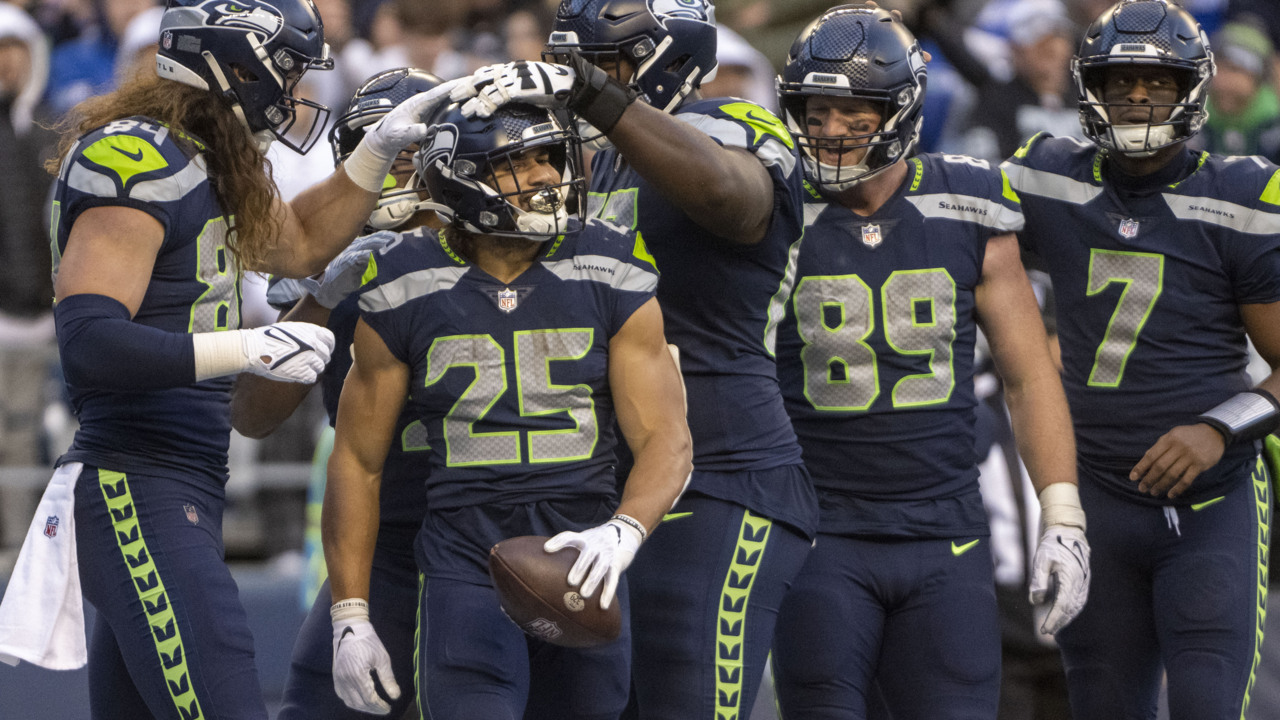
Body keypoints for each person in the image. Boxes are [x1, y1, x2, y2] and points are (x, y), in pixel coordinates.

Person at [0, 0, 458, 717]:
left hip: (183, 478)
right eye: (286, 74)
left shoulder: (200, 158)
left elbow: (302, 243)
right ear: (234, 70)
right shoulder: (136, 155)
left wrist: (374, 158)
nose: (295, 93)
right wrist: (248, 346)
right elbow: (90, 343)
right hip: (137, 477)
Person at [448, 0, 818, 716]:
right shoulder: (604, 164)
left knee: (689, 697)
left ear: (671, 57)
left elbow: (727, 196)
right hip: (619, 482)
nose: (581, 81)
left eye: (604, 63)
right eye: (575, 65)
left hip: (724, 474)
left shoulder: (736, 124)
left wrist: (594, 92)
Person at [763, 6, 1087, 718]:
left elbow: (1029, 375)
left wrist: (1061, 514)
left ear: (901, 110)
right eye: (817, 110)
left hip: (945, 533)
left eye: (854, 109)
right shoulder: (773, 206)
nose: (831, 128)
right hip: (822, 531)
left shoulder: (966, 199)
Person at [321, 100, 692, 718]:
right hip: (465, 552)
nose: (547, 175)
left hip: (584, 545)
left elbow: (667, 437)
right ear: (462, 175)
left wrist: (624, 529)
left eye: (549, 156)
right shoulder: (404, 277)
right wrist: (349, 615)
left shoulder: (609, 261)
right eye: (519, 161)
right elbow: (358, 461)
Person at [1000, 1, 1280, 717]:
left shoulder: (1240, 195)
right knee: (1101, 704)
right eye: (1118, 81)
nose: (1136, 97)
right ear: (1088, 87)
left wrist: (1219, 427)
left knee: (1207, 703)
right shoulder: (1048, 175)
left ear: (1192, 87)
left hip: (1211, 503)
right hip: (1094, 498)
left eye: (1156, 82)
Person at [227, 66, 445, 720]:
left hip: (489, 523)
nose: (396, 174)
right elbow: (254, 415)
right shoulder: (326, 250)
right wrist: (321, 298)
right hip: (383, 537)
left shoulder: (499, 245)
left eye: (413, 154)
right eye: (380, 152)